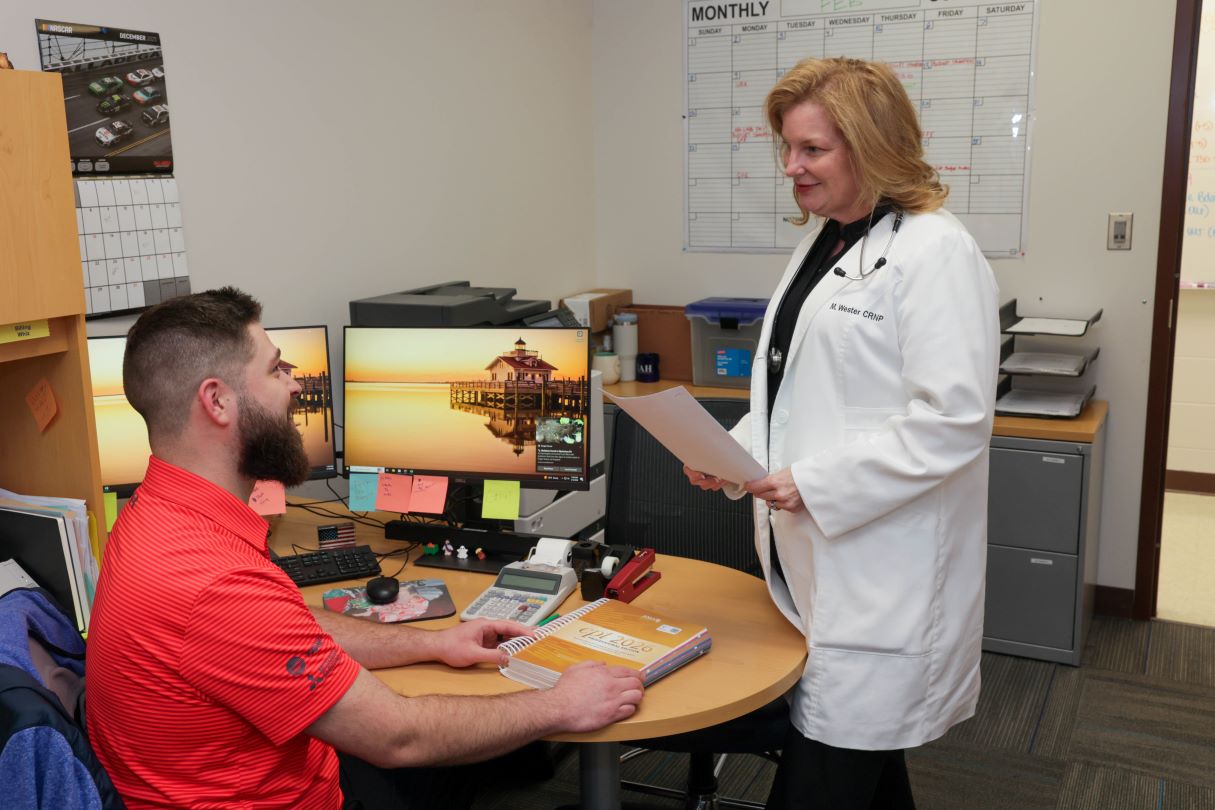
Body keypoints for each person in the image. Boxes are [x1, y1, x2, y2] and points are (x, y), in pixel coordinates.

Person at [85, 287, 645, 809]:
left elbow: (290, 634)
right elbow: (398, 738)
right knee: (512, 744)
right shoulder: (211, 584)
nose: (297, 385)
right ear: (218, 401)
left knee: (509, 751)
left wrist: (433, 643)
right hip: (299, 797)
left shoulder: (154, 516)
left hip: (278, 768)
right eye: (276, 368)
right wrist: (560, 705)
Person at [685, 57, 1000, 809]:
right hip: (813, 561)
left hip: (882, 575)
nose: (791, 168)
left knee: (828, 769)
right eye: (787, 149)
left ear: (872, 144)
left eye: (812, 150)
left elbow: (952, 421)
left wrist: (813, 483)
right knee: (859, 768)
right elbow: (790, 389)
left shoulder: (935, 252)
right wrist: (729, 456)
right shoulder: (823, 242)